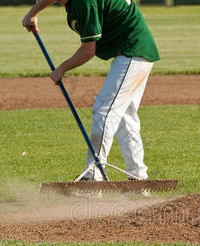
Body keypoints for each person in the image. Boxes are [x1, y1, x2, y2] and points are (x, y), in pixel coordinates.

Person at [22, 0, 159, 182]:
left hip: (133, 51)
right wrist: (34, 13)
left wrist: (61, 69)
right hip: (133, 51)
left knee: (105, 110)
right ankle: (138, 176)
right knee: (125, 117)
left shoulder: (84, 2)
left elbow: (89, 50)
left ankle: (93, 174)